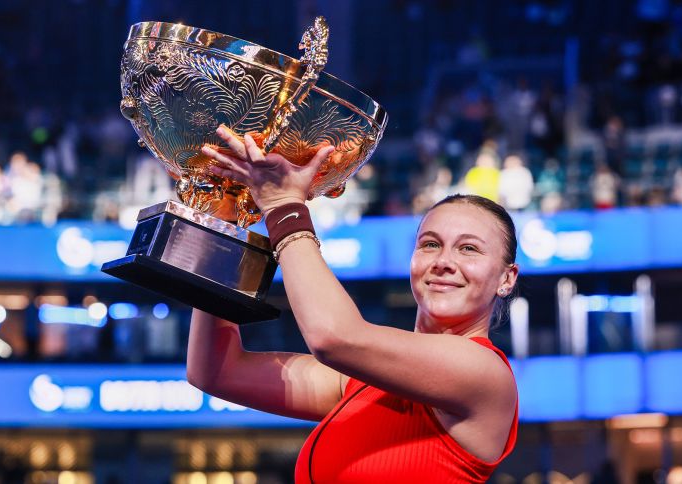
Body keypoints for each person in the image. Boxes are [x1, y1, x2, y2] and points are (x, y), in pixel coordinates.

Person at [188, 126, 519, 483]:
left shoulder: (484, 373)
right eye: (430, 244)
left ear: (506, 279)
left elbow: (333, 338)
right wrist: (223, 225)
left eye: (468, 248)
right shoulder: (357, 383)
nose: (443, 261)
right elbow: (216, 372)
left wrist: (284, 206)